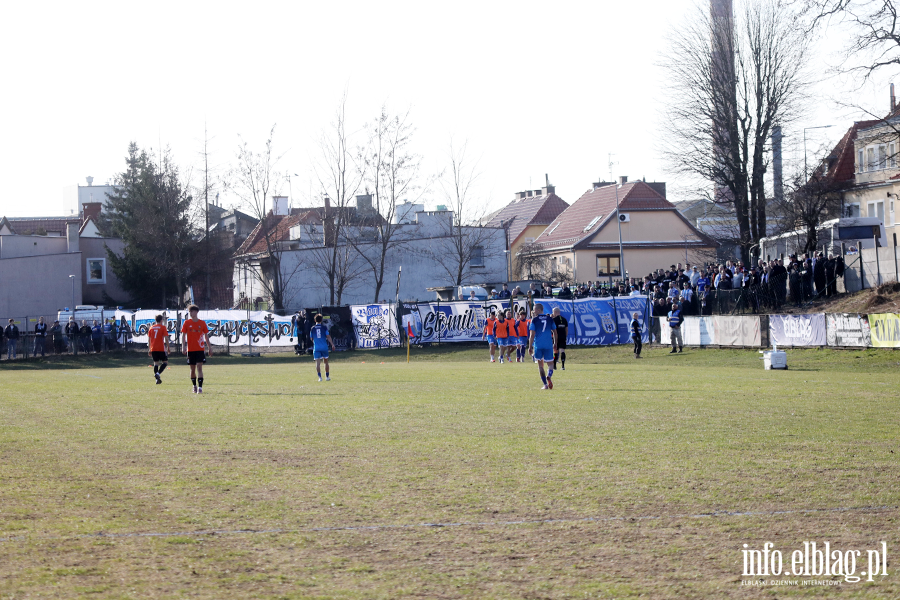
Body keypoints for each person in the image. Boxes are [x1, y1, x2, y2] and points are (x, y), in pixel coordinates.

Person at [180, 305, 210, 394]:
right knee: (192, 369)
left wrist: (209, 348)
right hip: (191, 350)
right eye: (189, 312)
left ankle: (200, 388)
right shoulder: (186, 323)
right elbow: (183, 335)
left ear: (196, 312)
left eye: (192, 311)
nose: (190, 313)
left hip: (200, 349)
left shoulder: (202, 323)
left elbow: (206, 336)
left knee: (199, 368)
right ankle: (194, 386)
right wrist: (183, 346)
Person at [527, 303, 557, 390]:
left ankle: (545, 385)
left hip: (538, 345)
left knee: (540, 366)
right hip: (548, 344)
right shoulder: (550, 319)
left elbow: (532, 335)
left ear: (539, 310)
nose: (533, 311)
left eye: (534, 309)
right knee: (550, 363)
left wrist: (529, 347)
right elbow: (555, 332)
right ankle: (549, 375)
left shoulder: (534, 320)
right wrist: (555, 343)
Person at [310, 314, 335, 381]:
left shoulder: (313, 328)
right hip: (324, 347)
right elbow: (328, 336)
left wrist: (315, 342)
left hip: (317, 347)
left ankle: (320, 377)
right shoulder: (324, 328)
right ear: (321, 320)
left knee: (318, 363)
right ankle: (327, 377)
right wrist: (332, 344)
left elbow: (311, 338)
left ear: (315, 320)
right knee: (326, 362)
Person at [148, 314, 170, 384]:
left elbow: (149, 339)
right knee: (165, 362)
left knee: (156, 363)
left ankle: (157, 380)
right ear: (161, 320)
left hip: (153, 348)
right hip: (161, 348)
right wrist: (168, 347)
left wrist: (149, 348)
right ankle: (158, 374)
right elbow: (166, 338)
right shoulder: (163, 327)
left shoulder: (151, 328)